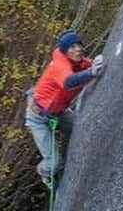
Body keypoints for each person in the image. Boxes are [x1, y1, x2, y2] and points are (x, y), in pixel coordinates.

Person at [25, 29, 105, 189]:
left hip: (58, 112)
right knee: (54, 162)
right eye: (72, 47)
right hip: (38, 118)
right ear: (64, 51)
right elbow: (68, 82)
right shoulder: (60, 65)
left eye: (78, 45)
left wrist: (96, 63)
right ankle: (44, 173)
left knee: (80, 129)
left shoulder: (79, 62)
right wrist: (91, 72)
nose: (77, 49)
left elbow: (91, 66)